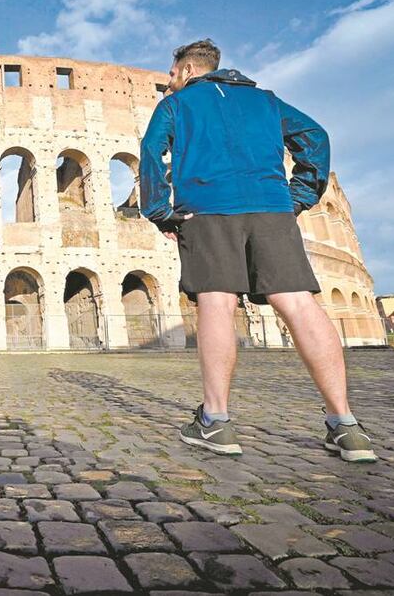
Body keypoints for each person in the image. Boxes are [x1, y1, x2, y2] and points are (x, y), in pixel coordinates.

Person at [139, 39, 376, 463]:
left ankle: (216, 422)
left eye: (172, 74)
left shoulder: (177, 105)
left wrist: (160, 211)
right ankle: (346, 425)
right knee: (300, 305)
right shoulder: (265, 101)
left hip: (208, 210)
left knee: (215, 305)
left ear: (189, 70)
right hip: (271, 208)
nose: (168, 82)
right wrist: (299, 195)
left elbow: (151, 153)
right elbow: (315, 137)